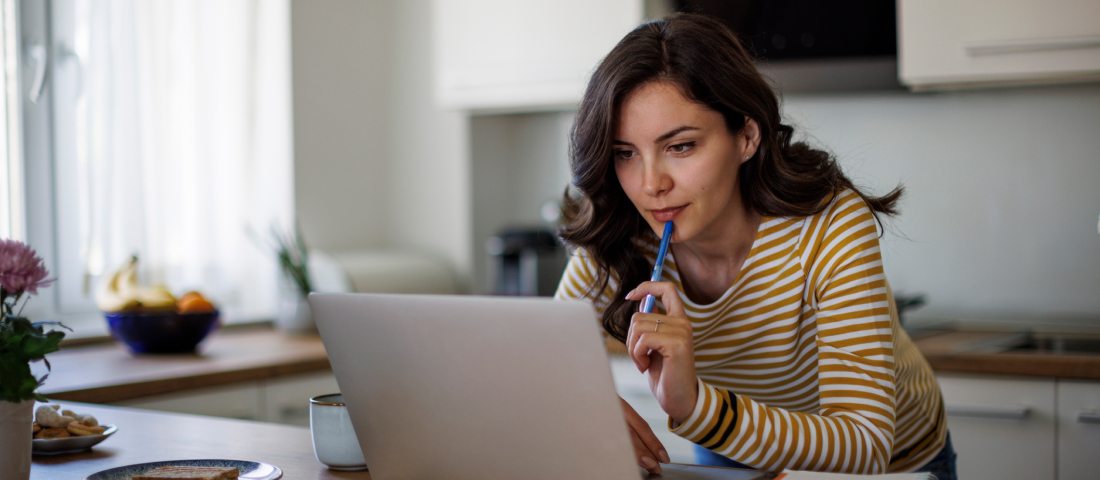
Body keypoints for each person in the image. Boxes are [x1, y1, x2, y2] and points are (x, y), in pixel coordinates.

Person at [553, 13, 955, 479]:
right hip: (731, 449)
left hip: (888, 465)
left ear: (745, 136)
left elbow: (865, 442)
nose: (650, 185)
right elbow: (542, 364)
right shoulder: (621, 229)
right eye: (625, 153)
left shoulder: (829, 223)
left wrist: (698, 406)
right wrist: (590, 410)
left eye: (681, 146)